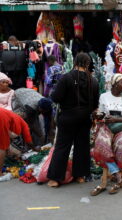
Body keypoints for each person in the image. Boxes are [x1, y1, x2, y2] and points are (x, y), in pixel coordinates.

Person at [47, 53, 99, 187]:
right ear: (88, 64)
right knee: (82, 146)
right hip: (84, 119)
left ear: (75, 62)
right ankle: (80, 175)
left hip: (67, 117)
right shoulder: (93, 81)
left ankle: (55, 179)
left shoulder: (66, 78)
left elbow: (56, 97)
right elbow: (95, 104)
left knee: (62, 147)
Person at [90, 74, 122, 196]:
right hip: (107, 126)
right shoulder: (104, 97)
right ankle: (117, 174)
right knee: (101, 143)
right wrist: (98, 115)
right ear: (115, 84)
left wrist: (115, 119)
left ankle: (118, 174)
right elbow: (100, 112)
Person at [0, 108, 32, 178]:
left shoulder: (11, 115)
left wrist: (7, 147)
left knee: (4, 145)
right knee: (2, 147)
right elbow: (28, 139)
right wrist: (34, 148)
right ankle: (0, 174)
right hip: (1, 117)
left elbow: (7, 134)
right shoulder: (21, 122)